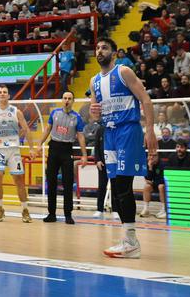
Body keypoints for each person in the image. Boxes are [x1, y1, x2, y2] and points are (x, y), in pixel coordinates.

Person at [90, 37, 157, 258]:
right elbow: (95, 112)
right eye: (97, 48)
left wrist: (150, 130)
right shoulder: (93, 81)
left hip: (127, 130)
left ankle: (131, 242)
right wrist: (94, 113)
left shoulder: (124, 72)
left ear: (114, 53)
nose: (100, 51)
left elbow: (145, 100)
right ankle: (128, 240)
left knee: (124, 186)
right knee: (116, 187)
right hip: (108, 133)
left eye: (104, 48)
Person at [39, 92, 88, 224]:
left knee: (68, 182)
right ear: (62, 100)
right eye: (65, 98)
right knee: (51, 181)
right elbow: (47, 129)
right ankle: (51, 213)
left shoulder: (77, 117)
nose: (67, 100)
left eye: (69, 98)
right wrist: (39, 144)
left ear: (73, 101)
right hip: (54, 148)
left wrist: (84, 154)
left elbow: (80, 136)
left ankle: (68, 214)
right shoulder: (54, 113)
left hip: (67, 150)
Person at [0, 85, 32, 223]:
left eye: (5, 92)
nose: (2, 94)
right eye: (0, 92)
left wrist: (31, 148)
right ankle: (0, 209)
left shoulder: (16, 111)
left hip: (13, 149)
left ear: (9, 96)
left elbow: (26, 129)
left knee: (18, 180)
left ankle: (25, 210)